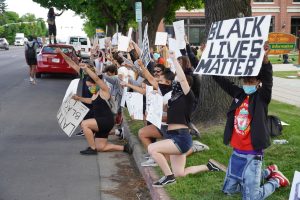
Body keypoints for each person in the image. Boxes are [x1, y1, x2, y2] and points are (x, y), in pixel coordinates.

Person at [213, 42, 289, 199]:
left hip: (253, 154)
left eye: (251, 81)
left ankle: (276, 179)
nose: (247, 84)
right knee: (229, 190)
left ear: (258, 82)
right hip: (236, 152)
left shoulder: (262, 97)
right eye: (245, 81)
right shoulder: (239, 94)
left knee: (251, 197)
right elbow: (223, 82)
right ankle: (268, 171)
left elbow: (268, 79)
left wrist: (265, 59)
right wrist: (210, 62)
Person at [148, 51, 225, 187]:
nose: (175, 82)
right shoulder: (172, 99)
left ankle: (168, 177)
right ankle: (209, 166)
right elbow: (166, 115)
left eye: (177, 81)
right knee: (180, 173)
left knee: (152, 148)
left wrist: (173, 59)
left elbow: (182, 79)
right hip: (174, 136)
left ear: (186, 86)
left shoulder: (189, 98)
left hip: (181, 138)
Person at [72, 63, 132, 155]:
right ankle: (124, 148)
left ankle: (92, 149)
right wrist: (79, 98)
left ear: (96, 84)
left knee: (84, 124)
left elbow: (96, 78)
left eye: (90, 86)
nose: (89, 88)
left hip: (105, 121)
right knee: (101, 147)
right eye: (88, 87)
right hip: (101, 123)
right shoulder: (95, 93)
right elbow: (90, 101)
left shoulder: (104, 90)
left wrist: (86, 69)